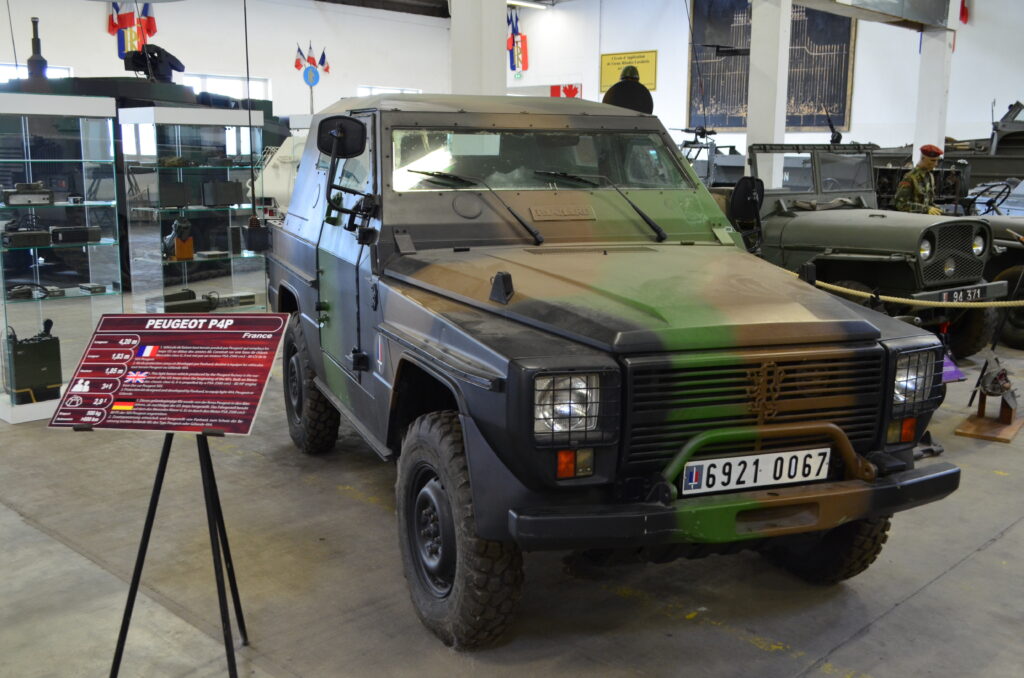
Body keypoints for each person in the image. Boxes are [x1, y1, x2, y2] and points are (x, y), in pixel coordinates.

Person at [893, 144, 944, 215]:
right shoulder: (910, 177)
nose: (936, 164)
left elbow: (928, 202)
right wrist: (925, 209)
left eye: (937, 161)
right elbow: (900, 204)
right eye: (933, 160)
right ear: (923, 158)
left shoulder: (930, 176)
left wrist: (937, 208)